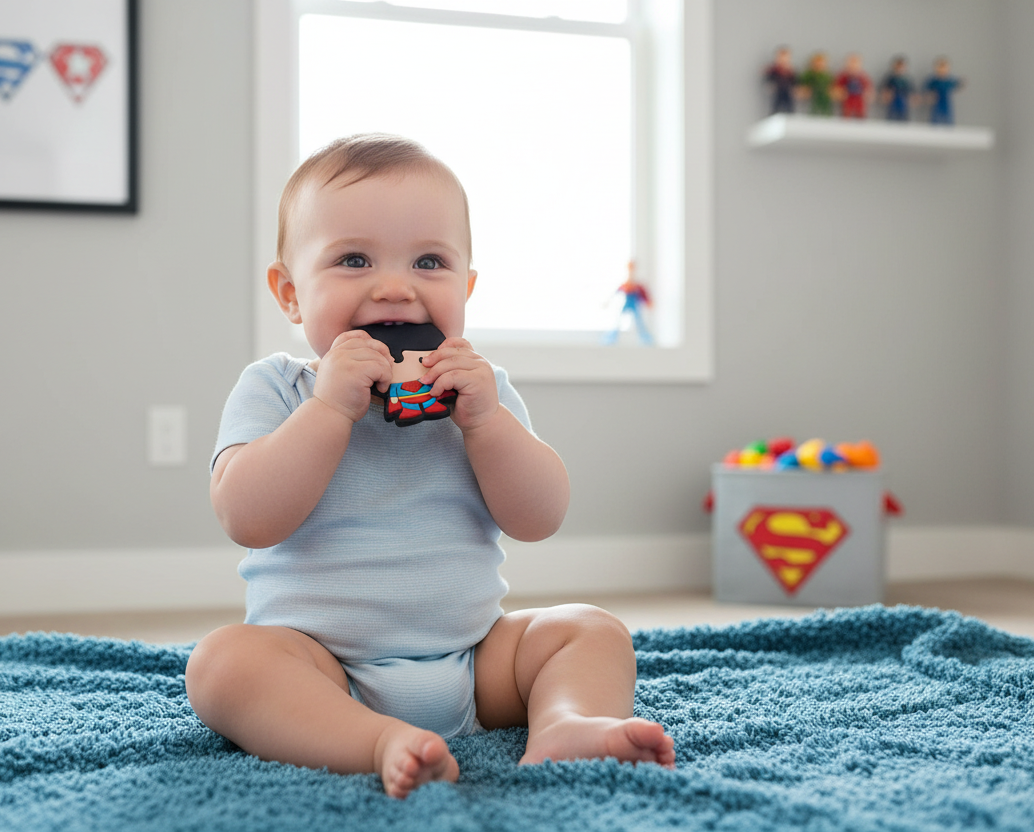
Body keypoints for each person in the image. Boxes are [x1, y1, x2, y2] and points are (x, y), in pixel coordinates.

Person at [185, 134, 676, 799]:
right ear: (291, 293)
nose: (395, 288)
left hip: (475, 660)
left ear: (466, 288)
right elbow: (246, 514)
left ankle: (564, 723)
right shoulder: (278, 389)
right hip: (324, 666)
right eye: (354, 260)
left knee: (591, 631)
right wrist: (329, 409)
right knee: (222, 665)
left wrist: (486, 423)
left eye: (429, 262)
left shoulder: (479, 392)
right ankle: (375, 740)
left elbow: (540, 517)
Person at [924, 56, 963, 125]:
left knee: (948, 117)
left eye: (944, 68)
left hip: (946, 101)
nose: (942, 70)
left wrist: (961, 83)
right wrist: (929, 96)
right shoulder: (934, 81)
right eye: (940, 67)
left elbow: (957, 85)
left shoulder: (949, 81)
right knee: (935, 116)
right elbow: (928, 88)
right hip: (937, 100)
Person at [835, 53, 872, 119]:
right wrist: (840, 93)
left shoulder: (862, 77)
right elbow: (838, 87)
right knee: (846, 113)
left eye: (855, 65)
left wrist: (867, 94)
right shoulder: (844, 76)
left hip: (859, 98)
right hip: (848, 98)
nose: (853, 67)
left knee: (860, 113)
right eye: (851, 65)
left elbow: (867, 87)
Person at [879, 55, 915, 122]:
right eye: (898, 67)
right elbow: (885, 88)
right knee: (891, 115)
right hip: (893, 99)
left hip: (903, 99)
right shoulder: (890, 78)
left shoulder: (907, 80)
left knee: (903, 115)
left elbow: (911, 91)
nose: (899, 69)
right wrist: (885, 95)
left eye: (901, 67)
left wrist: (912, 98)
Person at [764, 46, 797, 116]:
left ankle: (791, 117)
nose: (783, 60)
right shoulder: (774, 70)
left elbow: (794, 80)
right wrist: (770, 84)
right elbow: (769, 78)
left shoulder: (790, 71)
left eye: (786, 58)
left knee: (789, 106)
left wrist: (796, 88)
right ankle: (773, 116)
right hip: (778, 90)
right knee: (776, 105)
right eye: (781, 58)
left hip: (788, 91)